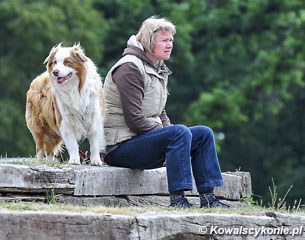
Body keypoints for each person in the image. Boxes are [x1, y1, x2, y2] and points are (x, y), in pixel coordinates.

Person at [103, 16, 229, 208]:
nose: (170, 45)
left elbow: (160, 112)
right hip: (119, 147)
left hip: (142, 140)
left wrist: (173, 134)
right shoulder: (129, 68)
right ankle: (178, 200)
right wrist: (172, 134)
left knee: (203, 133)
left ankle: (209, 199)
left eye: (171, 40)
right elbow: (134, 120)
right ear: (148, 41)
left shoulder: (157, 68)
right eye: (164, 40)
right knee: (179, 132)